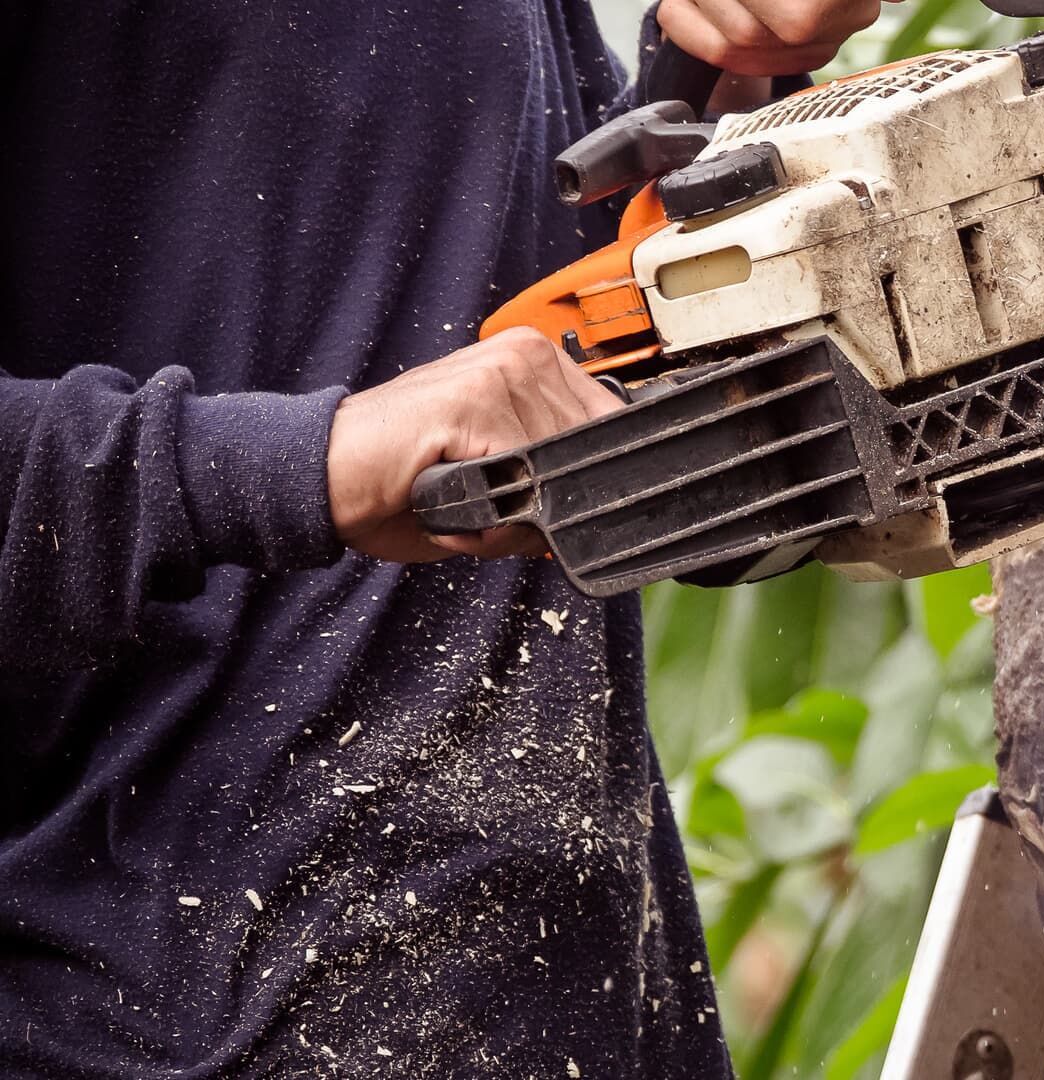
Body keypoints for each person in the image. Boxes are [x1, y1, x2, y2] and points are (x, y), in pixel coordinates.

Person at [0, 0, 881, 1074]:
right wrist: (305, 462)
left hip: (578, 990)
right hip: (172, 1012)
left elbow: (477, 280)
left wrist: (716, 88)